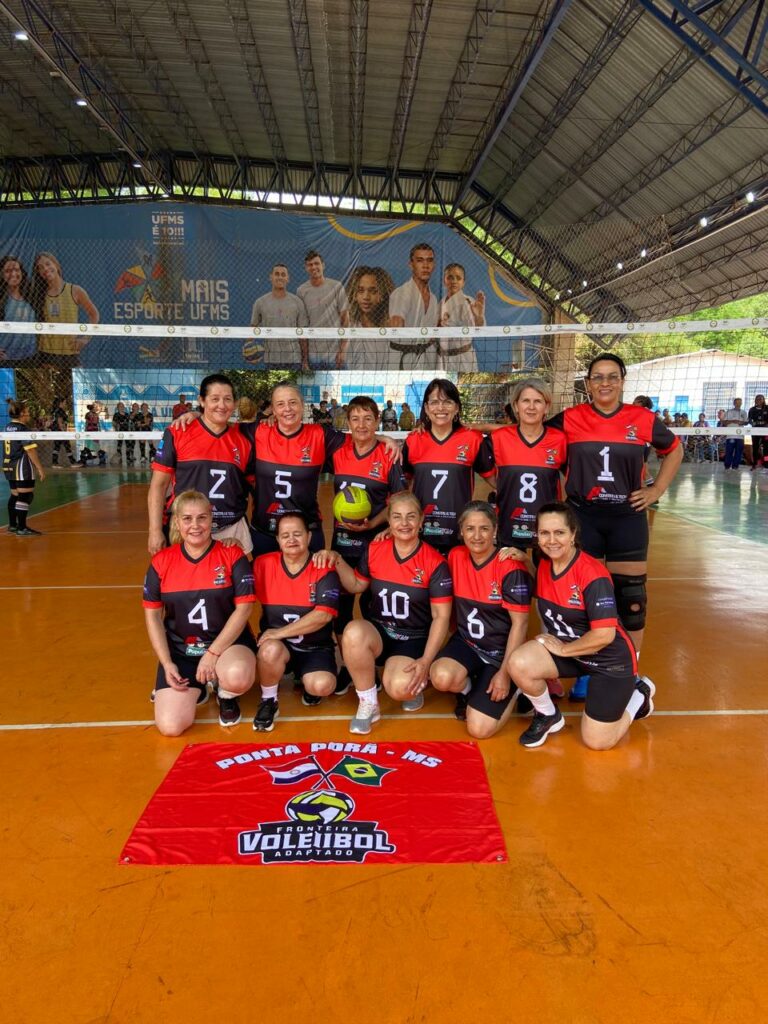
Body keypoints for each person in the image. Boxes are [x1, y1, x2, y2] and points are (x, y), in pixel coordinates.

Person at [546, 353, 682, 698]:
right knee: (580, 599)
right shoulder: (570, 418)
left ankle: (629, 670)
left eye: (612, 377)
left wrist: (657, 489)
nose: (604, 383)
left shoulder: (643, 419)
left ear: (622, 381)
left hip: (627, 516)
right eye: (597, 377)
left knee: (631, 598)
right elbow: (529, 435)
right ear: (588, 383)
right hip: (583, 517)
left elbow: (674, 449)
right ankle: (585, 668)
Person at [507, 503, 654, 749]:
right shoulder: (545, 563)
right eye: (544, 533)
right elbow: (547, 590)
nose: (551, 540)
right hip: (576, 653)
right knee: (518, 663)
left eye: (559, 533)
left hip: (609, 661)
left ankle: (639, 695)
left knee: (597, 742)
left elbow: (604, 635)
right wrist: (524, 561)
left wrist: (563, 650)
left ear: (573, 534)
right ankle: (547, 715)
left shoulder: (592, 575)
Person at [314, 491, 453, 734]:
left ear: (421, 521)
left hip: (412, 638)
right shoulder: (376, 548)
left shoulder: (434, 562)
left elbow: (442, 617)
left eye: (411, 517)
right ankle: (369, 703)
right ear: (389, 521)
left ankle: (418, 679)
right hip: (379, 631)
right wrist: (336, 559)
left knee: (400, 689)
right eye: (397, 517)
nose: (404, 523)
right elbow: (357, 585)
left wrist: (426, 660)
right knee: (353, 632)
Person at [237, 382, 399, 557]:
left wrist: (383, 437)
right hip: (265, 531)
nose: (287, 409)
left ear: (302, 405)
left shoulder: (320, 434)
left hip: (308, 532)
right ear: (273, 410)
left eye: (293, 402)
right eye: (280, 404)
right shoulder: (259, 431)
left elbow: (358, 435)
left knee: (312, 583)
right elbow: (224, 427)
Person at [142, 491, 258, 734]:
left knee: (237, 675)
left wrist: (213, 653)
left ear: (211, 520)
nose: (195, 525)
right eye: (187, 519)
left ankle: (225, 694)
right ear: (177, 522)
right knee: (170, 727)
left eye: (202, 518)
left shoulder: (231, 554)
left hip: (227, 646)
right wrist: (166, 663)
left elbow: (245, 607)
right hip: (182, 650)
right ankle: (201, 685)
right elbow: (152, 616)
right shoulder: (162, 562)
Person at [430, 501, 532, 737]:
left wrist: (505, 674)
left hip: (501, 652)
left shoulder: (509, 566)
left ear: (495, 531)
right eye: (470, 529)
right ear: (461, 532)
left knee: (479, 729)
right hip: (468, 643)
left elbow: (521, 624)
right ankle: (469, 691)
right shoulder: (455, 557)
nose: (477, 536)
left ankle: (517, 687)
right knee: (440, 676)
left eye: (484, 528)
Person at [329, 396, 407, 691]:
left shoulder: (389, 455)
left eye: (368, 419)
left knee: (375, 607)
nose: (361, 425)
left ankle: (378, 663)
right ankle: (349, 667)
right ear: (347, 423)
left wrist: (374, 524)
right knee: (341, 607)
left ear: (377, 421)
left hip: (377, 543)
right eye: (355, 419)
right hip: (343, 543)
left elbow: (399, 500)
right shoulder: (337, 450)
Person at [252, 512, 341, 731]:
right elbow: (237, 596)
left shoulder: (322, 565)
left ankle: (306, 679)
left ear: (309, 537)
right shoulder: (263, 565)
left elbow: (323, 615)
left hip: (315, 647)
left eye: (297, 534)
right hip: (279, 648)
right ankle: (269, 700)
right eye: (285, 535)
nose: (291, 540)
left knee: (322, 686)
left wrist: (278, 632)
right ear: (278, 540)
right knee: (269, 649)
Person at [149, 373, 254, 556]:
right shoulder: (178, 432)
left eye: (227, 399)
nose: (221, 405)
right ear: (202, 401)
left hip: (230, 529)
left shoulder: (245, 437)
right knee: (184, 583)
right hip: (188, 527)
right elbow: (158, 486)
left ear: (235, 403)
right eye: (214, 399)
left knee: (232, 583)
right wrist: (155, 531)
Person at [402, 378, 487, 555]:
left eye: (448, 402)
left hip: (459, 534)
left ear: (456, 407)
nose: (440, 408)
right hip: (421, 533)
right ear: (426, 408)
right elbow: (403, 487)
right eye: (434, 402)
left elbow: (497, 480)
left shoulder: (472, 439)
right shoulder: (413, 440)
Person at [480, 378, 567, 549]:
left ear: (547, 407)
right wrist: (501, 485)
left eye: (538, 401)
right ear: (516, 406)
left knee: (545, 574)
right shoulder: (499, 438)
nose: (531, 407)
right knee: (512, 574)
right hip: (510, 525)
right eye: (526, 401)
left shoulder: (559, 440)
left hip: (547, 529)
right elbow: (482, 465)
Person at [31, 251, 99, 367]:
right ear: (39, 273)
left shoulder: (75, 290)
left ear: (56, 265)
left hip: (70, 352)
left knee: (77, 385)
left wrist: (85, 339)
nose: (45, 269)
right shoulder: (39, 294)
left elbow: (94, 314)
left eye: (48, 264)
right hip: (46, 354)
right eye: (40, 268)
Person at [388, 242, 440, 370]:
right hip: (401, 360)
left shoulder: (433, 299)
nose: (426, 265)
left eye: (429, 261)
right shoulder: (402, 293)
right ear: (411, 265)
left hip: (425, 360)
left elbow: (431, 336)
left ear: (434, 265)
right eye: (420, 261)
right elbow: (396, 327)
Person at [296, 250, 349, 369]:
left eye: (316, 263)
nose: (314, 267)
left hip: (335, 355)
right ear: (306, 268)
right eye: (310, 265)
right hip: (313, 355)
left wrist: (343, 350)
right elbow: (302, 326)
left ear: (323, 265)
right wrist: (305, 359)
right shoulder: (301, 291)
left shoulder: (337, 286)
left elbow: (345, 320)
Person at [250, 263, 310, 369]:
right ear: (271, 277)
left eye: (283, 274)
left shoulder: (297, 302)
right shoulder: (260, 302)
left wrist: (305, 361)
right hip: (270, 360)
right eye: (277, 274)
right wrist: (249, 348)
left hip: (294, 359)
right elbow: (252, 329)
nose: (280, 277)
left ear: (288, 278)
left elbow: (302, 335)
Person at [3, 398, 46, 535]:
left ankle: (12, 525)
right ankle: (22, 528)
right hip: (21, 466)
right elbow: (30, 450)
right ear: (21, 413)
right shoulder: (22, 429)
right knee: (25, 496)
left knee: (15, 495)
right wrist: (39, 467)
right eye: (27, 412)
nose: (29, 415)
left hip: (8, 465)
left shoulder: (7, 427)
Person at [345, 265, 395, 370]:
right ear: (354, 294)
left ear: (383, 295)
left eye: (373, 291)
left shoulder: (391, 333)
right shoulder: (348, 330)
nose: (366, 297)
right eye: (361, 290)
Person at [438, 263, 484, 372]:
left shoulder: (468, 302)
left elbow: (478, 328)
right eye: (450, 277)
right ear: (444, 281)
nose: (454, 281)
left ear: (463, 282)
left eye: (458, 278)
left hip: (463, 358)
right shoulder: (440, 304)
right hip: (443, 358)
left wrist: (478, 317)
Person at [0, 255, 37, 363]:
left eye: (16, 269)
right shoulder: (1, 300)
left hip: (32, 357)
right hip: (6, 359)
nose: (13, 274)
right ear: (1, 274)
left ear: (22, 272)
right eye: (8, 271)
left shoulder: (32, 296)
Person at [50, 396, 77, 468]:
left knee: (57, 447)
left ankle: (54, 463)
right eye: (65, 402)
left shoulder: (55, 410)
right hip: (60, 431)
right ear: (60, 403)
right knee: (67, 445)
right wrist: (64, 431)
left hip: (56, 431)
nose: (66, 404)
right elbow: (60, 422)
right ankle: (72, 462)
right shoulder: (60, 410)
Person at [722, 397, 747, 470]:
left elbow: (746, 422)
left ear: (741, 403)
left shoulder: (744, 412)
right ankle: (727, 466)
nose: (738, 404)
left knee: (738, 452)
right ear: (734, 403)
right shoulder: (729, 412)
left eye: (740, 402)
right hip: (730, 435)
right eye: (737, 402)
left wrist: (741, 422)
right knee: (729, 451)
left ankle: (735, 466)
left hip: (740, 436)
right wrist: (732, 421)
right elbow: (724, 422)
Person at [748, 394, 768, 470]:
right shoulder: (752, 409)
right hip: (755, 430)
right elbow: (749, 419)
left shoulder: (767, 408)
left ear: (763, 400)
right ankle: (754, 464)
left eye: (761, 399)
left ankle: (766, 465)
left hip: (765, 431)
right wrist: (751, 422)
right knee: (755, 447)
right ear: (755, 400)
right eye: (757, 399)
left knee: (766, 448)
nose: (759, 400)